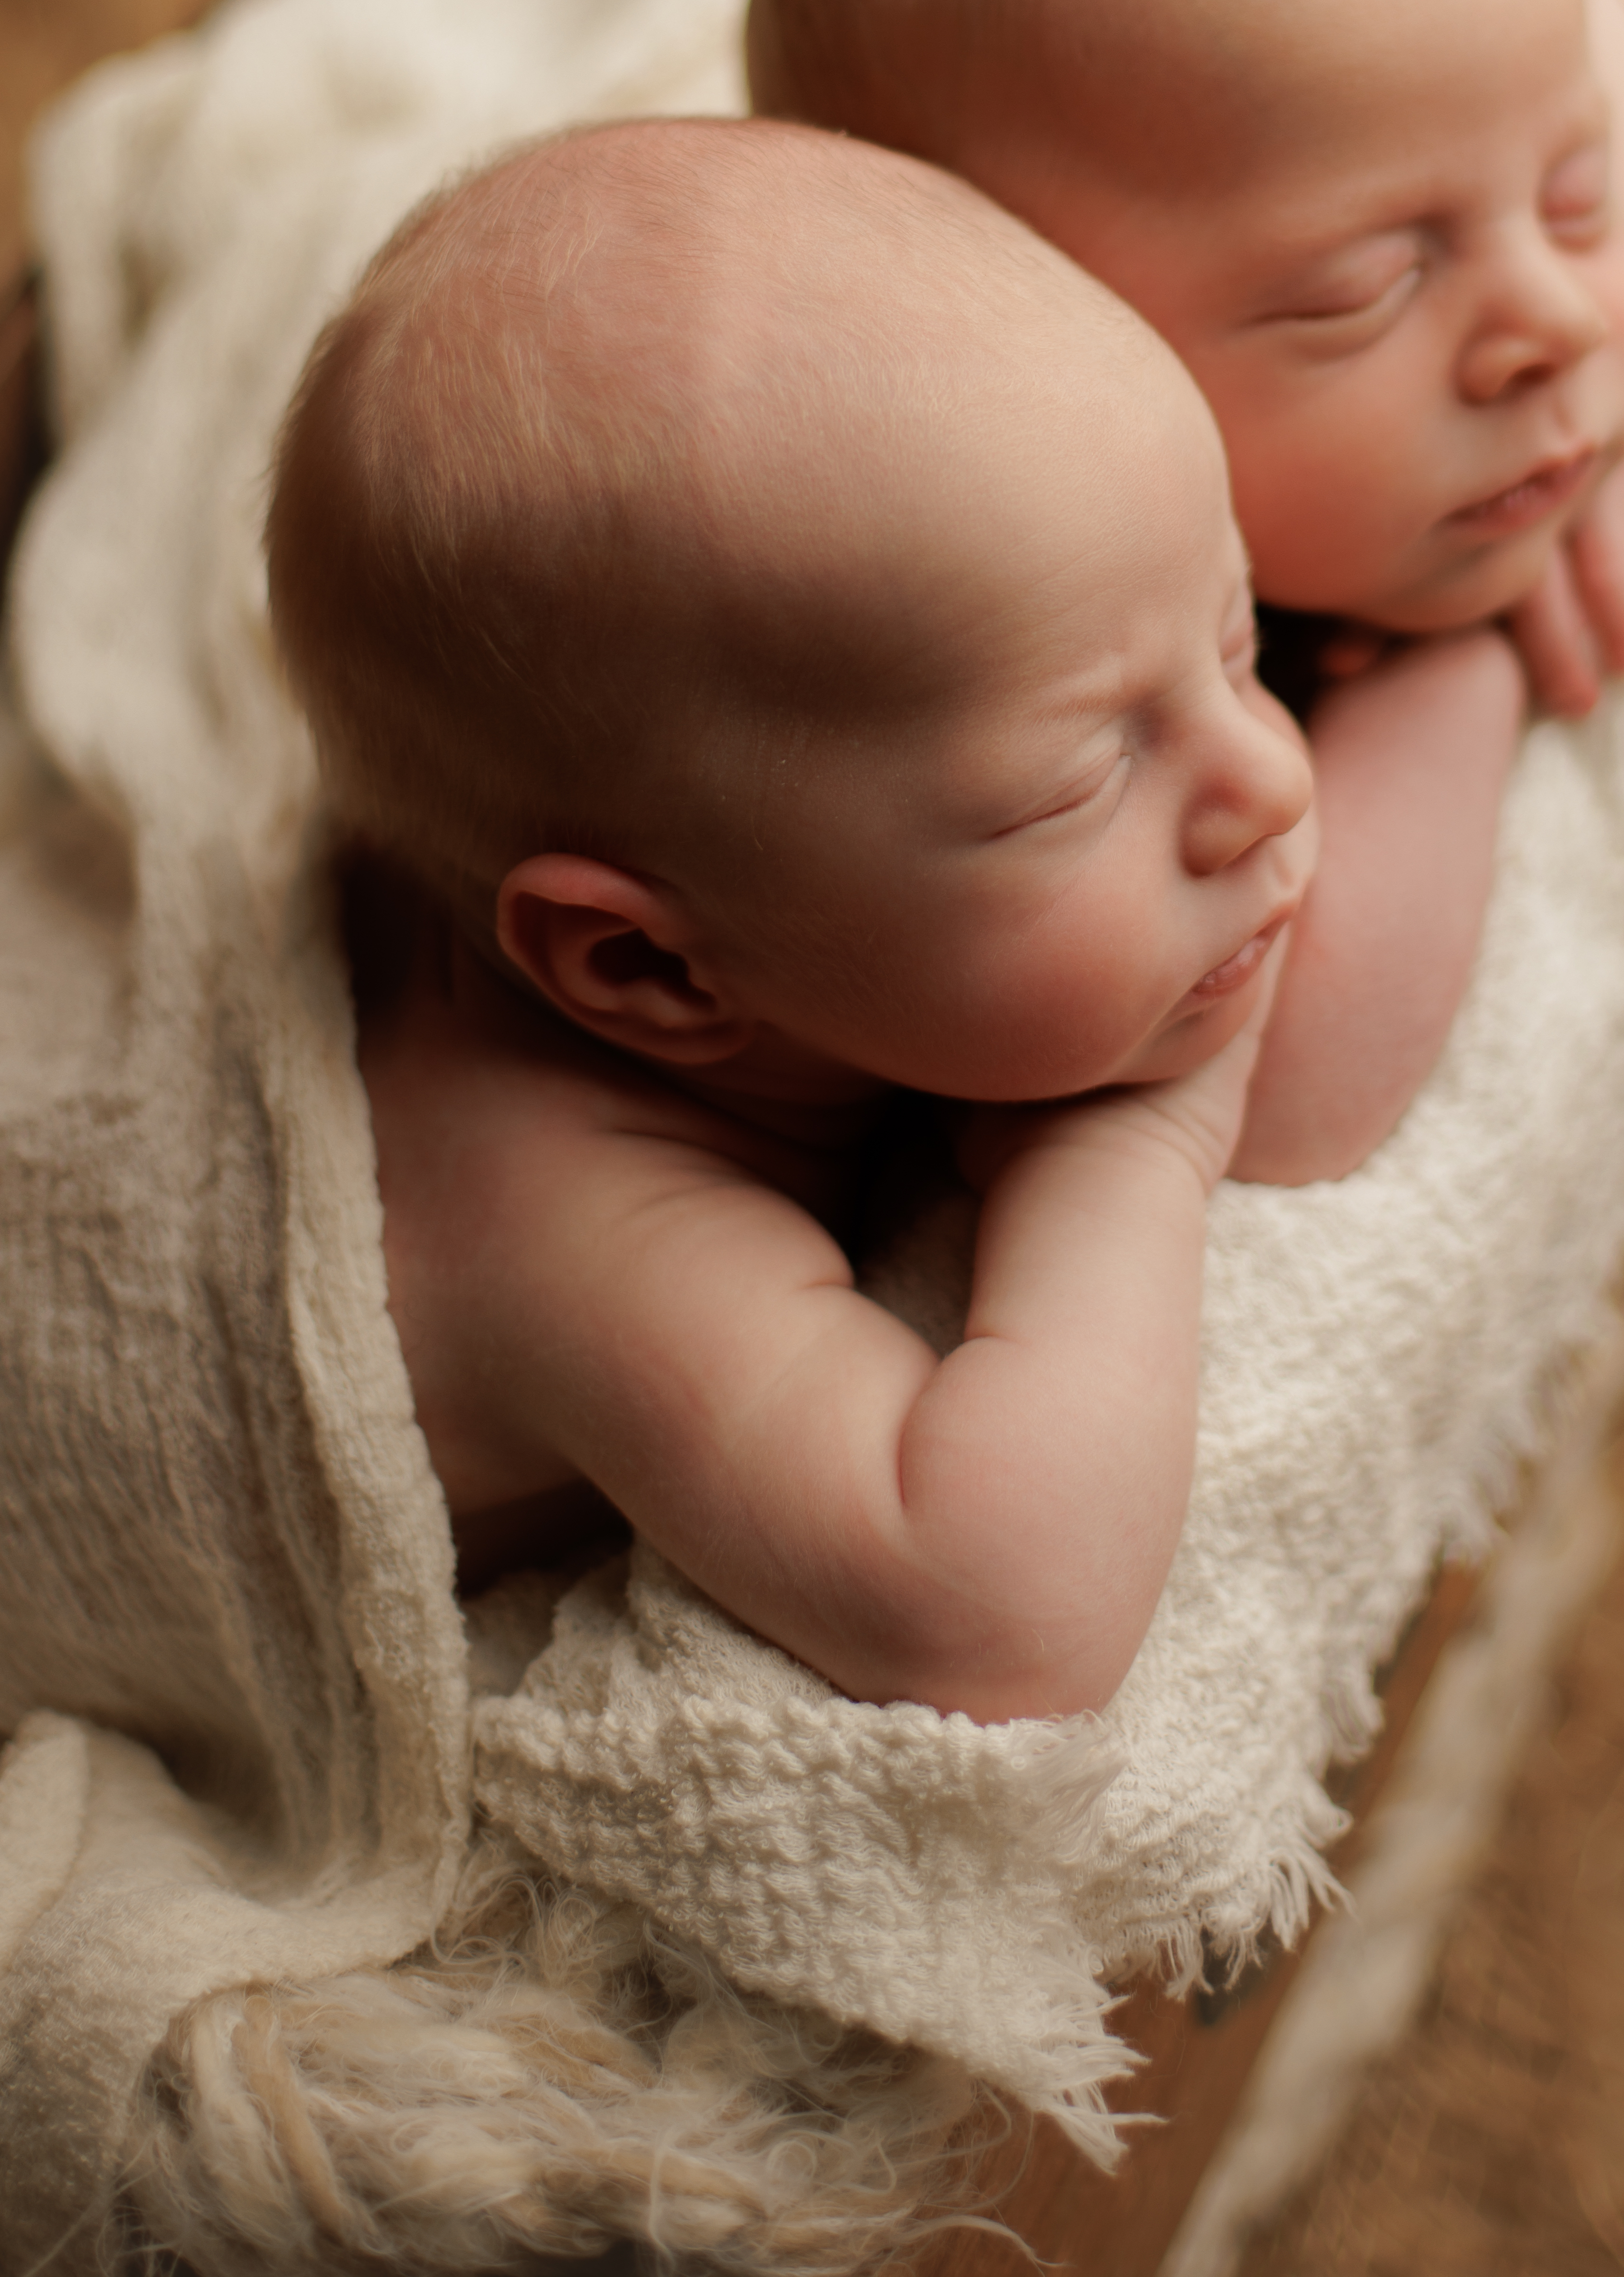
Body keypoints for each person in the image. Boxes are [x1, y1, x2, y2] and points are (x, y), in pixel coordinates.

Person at [266, 115, 1315, 1724]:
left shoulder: (844, 790)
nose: (1264, 778)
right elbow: (996, 1615)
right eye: (1070, 789)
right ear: (645, 967)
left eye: (1236, 639)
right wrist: (1135, 1154)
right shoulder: (555, 1221)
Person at [745, 0, 1624, 1180]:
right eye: (1367, 286)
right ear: (1028, 335)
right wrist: (1450, 666)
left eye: (1572, 193)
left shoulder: (1464, 184)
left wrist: (1614, 276)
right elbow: (1277, 1095)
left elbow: (1589, 28)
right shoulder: (992, 630)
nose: (1564, 322)